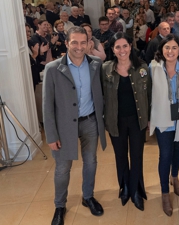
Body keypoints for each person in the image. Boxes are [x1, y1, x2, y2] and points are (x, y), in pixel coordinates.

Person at [43, 26, 107, 225]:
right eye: (74, 42)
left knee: (91, 162)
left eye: (83, 42)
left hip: (90, 121)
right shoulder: (53, 68)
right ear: (67, 43)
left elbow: (102, 93)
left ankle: (88, 196)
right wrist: (51, 136)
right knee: (63, 168)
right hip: (64, 127)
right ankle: (59, 205)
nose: (79, 47)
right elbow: (47, 105)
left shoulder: (96, 64)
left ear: (89, 43)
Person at [102, 32, 152, 211]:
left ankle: (136, 190)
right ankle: (124, 188)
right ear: (113, 50)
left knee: (137, 156)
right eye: (118, 47)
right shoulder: (105, 69)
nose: (122, 50)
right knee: (120, 156)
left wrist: (149, 119)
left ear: (130, 47)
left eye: (125, 46)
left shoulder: (142, 68)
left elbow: (149, 95)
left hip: (138, 120)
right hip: (115, 120)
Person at [149, 34, 179, 216]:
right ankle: (164, 193)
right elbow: (148, 93)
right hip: (163, 118)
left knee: (178, 151)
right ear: (161, 49)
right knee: (165, 154)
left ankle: (174, 177)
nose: (170, 51)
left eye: (174, 48)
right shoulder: (154, 67)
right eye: (167, 47)